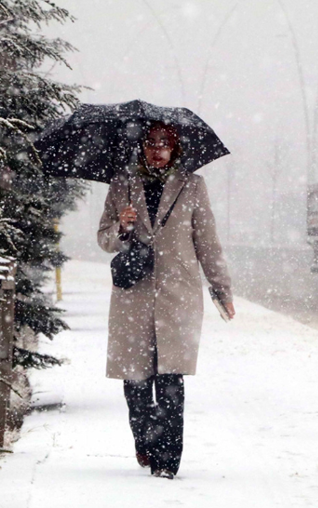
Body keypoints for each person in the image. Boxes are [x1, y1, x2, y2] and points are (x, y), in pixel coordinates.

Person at [97, 122, 235, 479]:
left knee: (171, 382)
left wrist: (221, 289)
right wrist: (122, 227)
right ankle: (144, 440)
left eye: (165, 144)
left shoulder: (192, 186)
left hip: (178, 296)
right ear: (142, 147)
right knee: (136, 382)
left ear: (175, 149)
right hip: (134, 297)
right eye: (151, 143)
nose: (158, 150)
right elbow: (104, 239)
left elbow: (208, 243)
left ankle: (167, 462)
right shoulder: (122, 184)